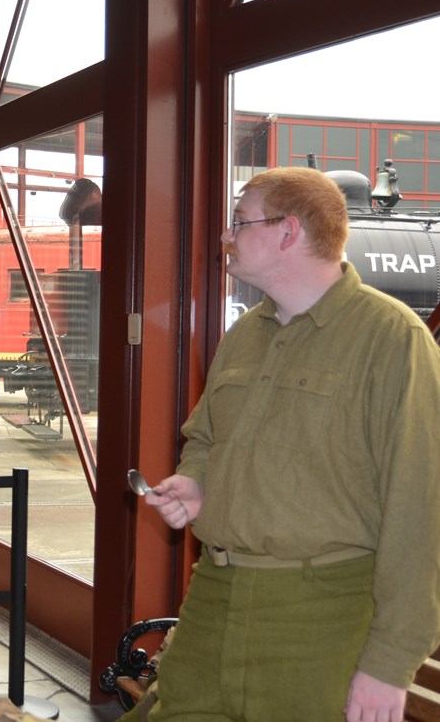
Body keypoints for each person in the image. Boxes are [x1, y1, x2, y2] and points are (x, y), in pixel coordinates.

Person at [133, 167, 440, 722]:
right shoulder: (245, 334)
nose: (226, 236)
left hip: (320, 617)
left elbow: (419, 513)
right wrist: (196, 481)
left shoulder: (392, 340)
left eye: (238, 222)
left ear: (288, 231)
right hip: (212, 599)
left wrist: (391, 662)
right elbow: (204, 437)